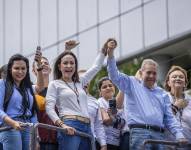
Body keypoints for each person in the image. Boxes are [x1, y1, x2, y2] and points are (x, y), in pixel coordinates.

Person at [106, 38, 188, 149]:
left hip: (159, 136)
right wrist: (110, 53)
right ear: (140, 72)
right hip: (140, 133)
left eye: (154, 73)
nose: (152, 76)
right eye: (148, 73)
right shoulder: (131, 83)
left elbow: (169, 118)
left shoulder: (162, 93)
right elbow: (114, 75)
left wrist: (179, 135)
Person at [45, 40, 107, 150]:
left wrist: (104, 50)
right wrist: (62, 125)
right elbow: (49, 108)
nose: (69, 66)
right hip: (70, 123)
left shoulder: (80, 82)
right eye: (65, 63)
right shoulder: (55, 84)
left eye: (72, 63)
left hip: (87, 126)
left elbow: (96, 67)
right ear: (59, 66)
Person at [0, 52, 44, 150]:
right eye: (16, 68)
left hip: (28, 127)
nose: (20, 72)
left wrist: (39, 66)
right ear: (10, 69)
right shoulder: (2, 84)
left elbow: (40, 87)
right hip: (10, 126)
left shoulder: (27, 88)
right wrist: (12, 123)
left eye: (23, 68)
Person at [32, 56, 58, 150]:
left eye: (46, 63)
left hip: (59, 140)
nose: (43, 65)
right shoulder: (30, 91)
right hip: (39, 142)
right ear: (34, 70)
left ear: (50, 70)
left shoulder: (57, 90)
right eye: (40, 63)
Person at [78, 70, 107, 150]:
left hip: (90, 142)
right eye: (82, 78)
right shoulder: (68, 98)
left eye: (87, 78)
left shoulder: (95, 101)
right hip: (73, 139)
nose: (85, 81)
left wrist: (103, 145)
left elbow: (98, 125)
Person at [164, 66, 191, 149]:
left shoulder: (190, 101)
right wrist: (175, 107)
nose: (178, 78)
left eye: (181, 77)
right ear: (168, 82)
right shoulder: (161, 98)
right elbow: (159, 120)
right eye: (174, 77)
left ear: (185, 83)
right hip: (167, 145)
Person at [97, 76, 125, 150]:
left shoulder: (121, 103)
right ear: (100, 91)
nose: (108, 88)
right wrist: (113, 115)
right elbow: (106, 121)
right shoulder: (100, 101)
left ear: (114, 88)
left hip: (118, 142)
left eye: (110, 85)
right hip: (106, 142)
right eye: (104, 87)